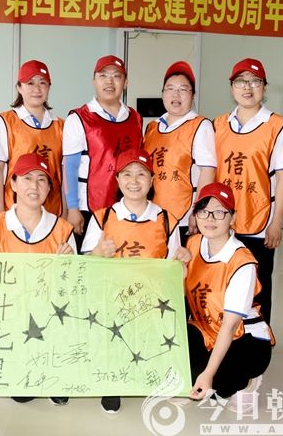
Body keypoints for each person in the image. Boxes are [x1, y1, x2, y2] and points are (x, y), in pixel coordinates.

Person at [81, 148, 191, 414]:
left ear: (152, 180)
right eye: (127, 174)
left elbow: (173, 270)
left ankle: (154, 373)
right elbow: (83, 267)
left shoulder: (166, 219)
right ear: (117, 180)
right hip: (112, 300)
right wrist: (97, 253)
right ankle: (112, 383)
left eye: (141, 174)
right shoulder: (102, 217)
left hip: (151, 301)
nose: (134, 181)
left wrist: (183, 262)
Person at [0, 152, 75, 406]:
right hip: (10, 313)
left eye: (42, 180)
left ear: (49, 189)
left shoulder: (62, 228)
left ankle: (54, 367)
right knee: (21, 394)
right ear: (13, 184)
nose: (34, 186)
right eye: (27, 178)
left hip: (49, 314)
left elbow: (73, 283)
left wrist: (67, 264)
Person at [213, 58, 283, 324]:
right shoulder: (219, 125)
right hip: (222, 223)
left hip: (259, 223)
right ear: (232, 88)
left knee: (257, 289)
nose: (247, 87)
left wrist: (277, 222)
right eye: (241, 81)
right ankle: (221, 339)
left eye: (255, 81)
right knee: (221, 284)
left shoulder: (277, 126)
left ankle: (257, 343)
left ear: (264, 87)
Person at [185, 182, 274, 411]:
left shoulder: (242, 262)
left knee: (218, 383)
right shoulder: (192, 245)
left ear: (232, 218)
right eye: (204, 211)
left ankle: (248, 381)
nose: (210, 218)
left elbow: (230, 325)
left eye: (219, 212)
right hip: (207, 330)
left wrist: (208, 374)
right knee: (175, 357)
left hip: (242, 337)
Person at [63, 55, 143, 250]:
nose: (109, 81)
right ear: (94, 81)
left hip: (127, 207)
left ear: (125, 83)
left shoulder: (135, 118)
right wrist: (72, 208)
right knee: (89, 261)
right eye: (103, 76)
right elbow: (70, 167)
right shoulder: (79, 118)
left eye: (116, 76)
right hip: (88, 209)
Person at [143, 61, 216, 245]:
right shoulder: (152, 127)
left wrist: (198, 212)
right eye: (170, 89)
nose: (176, 94)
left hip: (184, 218)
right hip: (153, 215)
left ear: (192, 95)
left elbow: (208, 172)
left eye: (183, 89)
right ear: (162, 94)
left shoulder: (200, 125)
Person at [0, 60, 64, 217]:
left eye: (42, 83)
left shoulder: (61, 125)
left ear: (49, 87)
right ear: (19, 87)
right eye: (30, 83)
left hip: (52, 210)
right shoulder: (6, 122)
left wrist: (66, 211)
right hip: (14, 209)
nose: (37, 89)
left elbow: (64, 173)